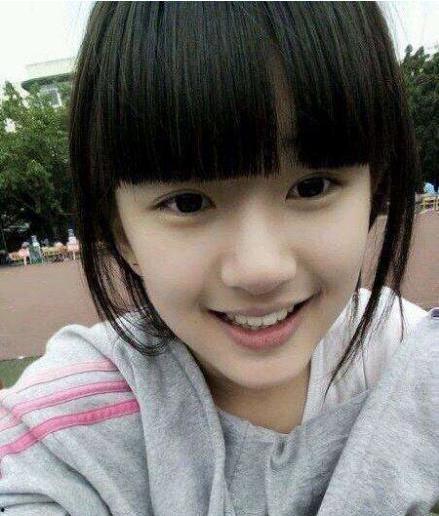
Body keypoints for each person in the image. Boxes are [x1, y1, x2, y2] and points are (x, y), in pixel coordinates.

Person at [0, 3, 438, 515]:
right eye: (188, 203)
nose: (260, 269)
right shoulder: (64, 429)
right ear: (121, 233)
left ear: (373, 188)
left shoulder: (410, 359)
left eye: (312, 187)